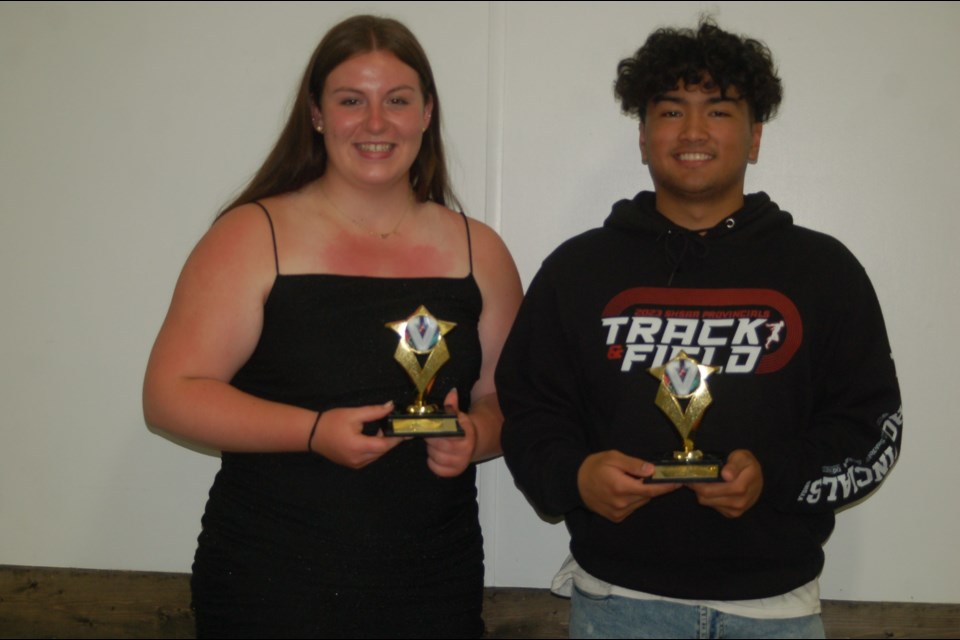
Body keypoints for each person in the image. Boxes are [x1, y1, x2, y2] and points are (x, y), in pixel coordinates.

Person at [497, 20, 902, 639]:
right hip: (617, 604)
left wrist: (775, 478)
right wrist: (574, 478)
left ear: (755, 135)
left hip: (776, 612)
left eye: (718, 110)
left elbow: (873, 430)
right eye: (669, 111)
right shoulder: (577, 271)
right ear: (642, 135)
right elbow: (528, 412)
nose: (692, 132)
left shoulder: (824, 271)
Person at [143, 14, 522, 639]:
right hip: (270, 582)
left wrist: (478, 435)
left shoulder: (479, 249)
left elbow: (511, 397)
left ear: (426, 113)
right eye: (352, 101)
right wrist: (313, 431)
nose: (376, 123)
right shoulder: (251, 235)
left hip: (432, 584)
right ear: (317, 115)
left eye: (397, 101)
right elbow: (171, 395)